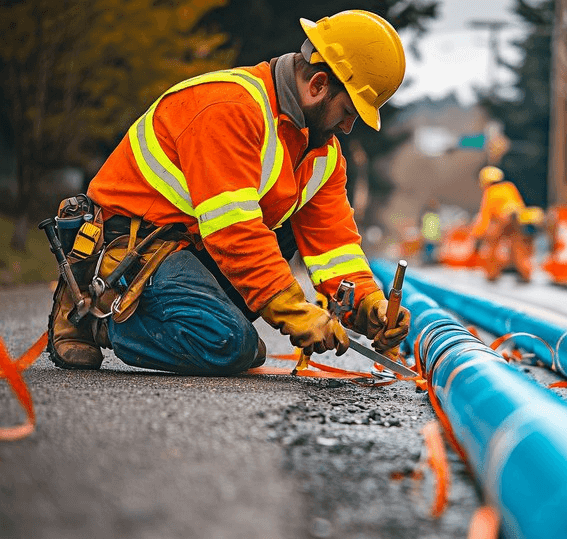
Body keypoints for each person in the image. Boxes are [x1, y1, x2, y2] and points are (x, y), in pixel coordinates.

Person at [45, 10, 411, 375]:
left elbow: (336, 247)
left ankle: (201, 326)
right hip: (134, 246)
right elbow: (233, 230)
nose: (348, 127)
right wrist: (295, 312)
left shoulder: (322, 153)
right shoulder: (230, 108)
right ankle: (93, 314)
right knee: (230, 346)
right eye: (348, 111)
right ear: (317, 85)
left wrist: (368, 305)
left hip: (192, 246)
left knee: (238, 343)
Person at [470, 166, 534, 283]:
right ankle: (526, 273)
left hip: (502, 220)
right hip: (516, 220)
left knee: (492, 246)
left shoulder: (490, 192)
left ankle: (492, 273)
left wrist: (477, 234)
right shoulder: (509, 187)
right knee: (517, 246)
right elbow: (519, 205)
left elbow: (485, 216)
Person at [418, 198, 442, 265]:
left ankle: (427, 262)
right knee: (427, 250)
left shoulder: (429, 216)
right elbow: (424, 226)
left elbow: (437, 228)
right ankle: (426, 262)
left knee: (429, 251)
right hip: (429, 237)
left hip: (431, 237)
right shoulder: (433, 217)